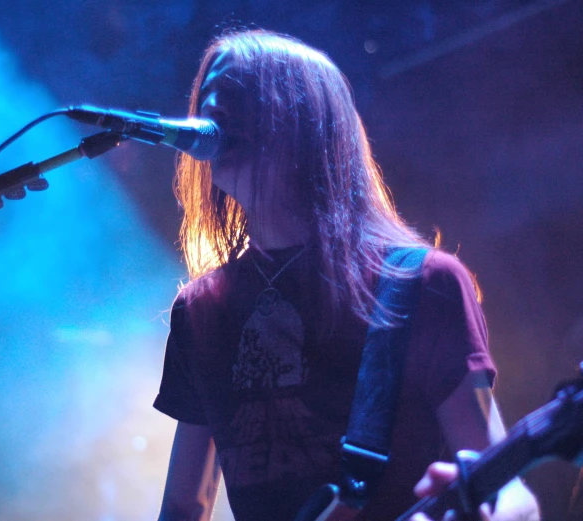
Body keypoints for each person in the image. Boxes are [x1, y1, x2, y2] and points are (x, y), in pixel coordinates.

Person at [154, 29, 540, 521]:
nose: (210, 111)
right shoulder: (203, 310)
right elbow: (184, 506)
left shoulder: (423, 285)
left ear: (301, 124)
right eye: (207, 102)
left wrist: (494, 516)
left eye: (234, 98)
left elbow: (511, 493)